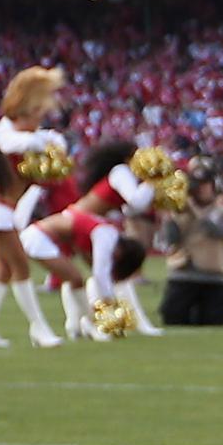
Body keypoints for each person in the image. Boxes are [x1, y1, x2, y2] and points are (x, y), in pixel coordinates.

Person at [0, 66, 68, 349]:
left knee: (2, 270)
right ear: (23, 112)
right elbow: (16, 141)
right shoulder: (5, 135)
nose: (39, 123)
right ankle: (39, 329)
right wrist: (45, 140)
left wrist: (49, 140)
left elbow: (49, 141)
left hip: (2, 210)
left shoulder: (24, 134)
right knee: (20, 267)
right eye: (35, 116)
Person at [23, 140, 158, 336]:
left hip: (78, 219)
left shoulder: (118, 174)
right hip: (85, 223)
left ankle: (78, 323)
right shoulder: (121, 171)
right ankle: (104, 319)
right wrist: (152, 181)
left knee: (87, 274)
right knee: (102, 273)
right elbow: (136, 203)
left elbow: (128, 207)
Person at [160, 172, 223, 327]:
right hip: (184, 274)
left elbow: (218, 231)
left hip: (213, 275)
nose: (200, 190)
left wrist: (194, 209)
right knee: (173, 318)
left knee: (217, 321)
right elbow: (172, 240)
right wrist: (169, 218)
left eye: (205, 185)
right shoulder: (180, 212)